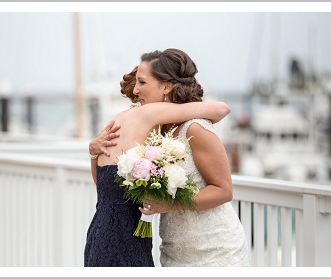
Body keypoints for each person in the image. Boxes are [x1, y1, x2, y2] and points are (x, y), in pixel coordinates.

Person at [83, 63, 232, 267]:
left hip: (98, 235)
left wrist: (92, 152)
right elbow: (221, 109)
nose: (137, 90)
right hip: (126, 241)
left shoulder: (118, 119)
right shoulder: (150, 113)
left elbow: (101, 182)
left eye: (142, 83)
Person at [132, 49, 249, 266]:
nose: (135, 89)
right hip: (174, 251)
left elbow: (224, 190)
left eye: (142, 82)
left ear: (166, 86)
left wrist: (168, 205)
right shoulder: (158, 131)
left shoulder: (195, 128)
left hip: (215, 253)